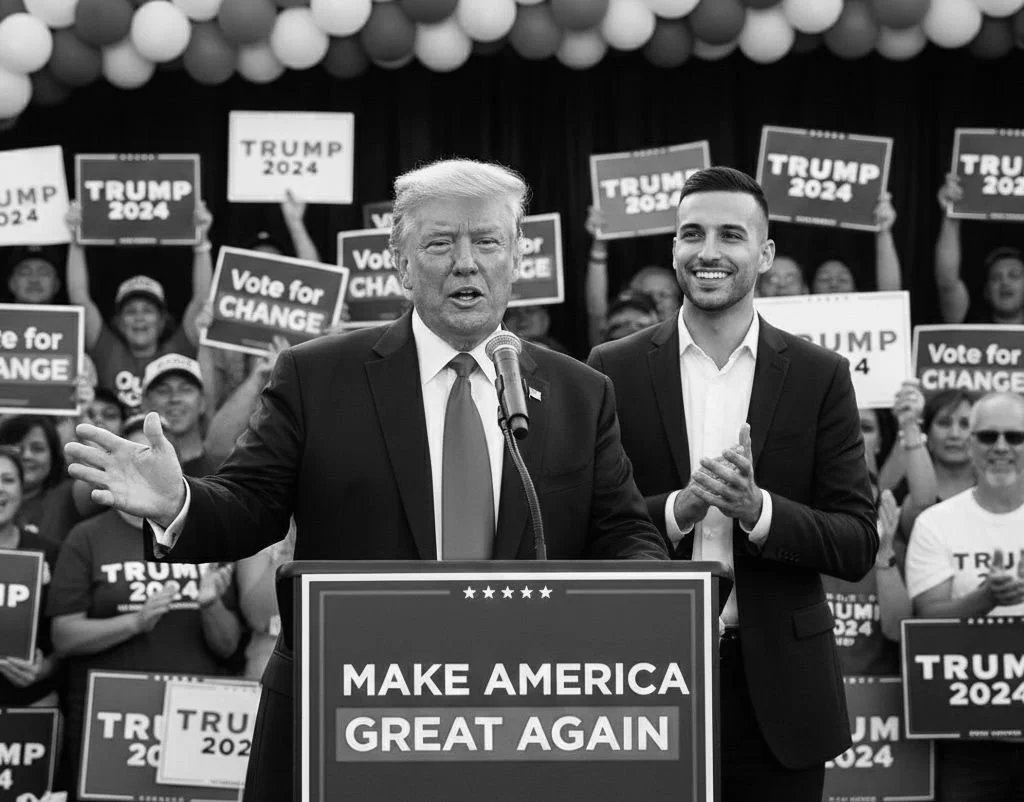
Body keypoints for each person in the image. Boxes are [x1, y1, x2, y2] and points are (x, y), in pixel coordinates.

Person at [64, 158, 669, 802]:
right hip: (350, 707)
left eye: (487, 241)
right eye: (440, 242)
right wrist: (179, 500)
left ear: (517, 258)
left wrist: (660, 602)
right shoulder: (318, 374)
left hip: (518, 718)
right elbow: (253, 502)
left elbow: (623, 531)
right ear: (401, 263)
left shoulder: (579, 392)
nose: (466, 262)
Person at [587, 166, 878, 801]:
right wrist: (679, 509)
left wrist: (758, 510)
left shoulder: (818, 375)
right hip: (642, 680)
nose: (709, 252)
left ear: (765, 253)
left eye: (731, 235)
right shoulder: (612, 370)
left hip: (779, 693)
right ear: (673, 249)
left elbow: (857, 543)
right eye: (692, 233)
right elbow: (582, 531)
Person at [49, 414, 242, 802]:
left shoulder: (206, 535)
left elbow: (228, 647)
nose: (145, 465)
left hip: (193, 724)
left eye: (154, 454)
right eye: (135, 455)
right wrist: (135, 622)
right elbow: (64, 637)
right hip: (112, 728)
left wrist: (209, 606)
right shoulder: (86, 538)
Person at [905, 391, 1024, 801]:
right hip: (969, 735)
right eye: (989, 436)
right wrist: (986, 598)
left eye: (1016, 437)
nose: (1002, 448)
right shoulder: (936, 523)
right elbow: (924, 623)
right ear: (971, 444)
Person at [64, 201, 214, 409]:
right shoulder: (106, 350)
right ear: (118, 322)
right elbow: (80, 298)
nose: (139, 317)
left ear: (163, 321)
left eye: (148, 310)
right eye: (130, 311)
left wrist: (202, 241)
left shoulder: (179, 350)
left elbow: (201, 299)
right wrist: (76, 240)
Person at [0, 446, 61, 708]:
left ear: (22, 490)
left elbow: (67, 636)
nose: (0, 488)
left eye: (8, 480)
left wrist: (44, 668)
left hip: (32, 706)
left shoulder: (51, 553)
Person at [935, 173, 1024, 325]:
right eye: (995, 278)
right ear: (987, 292)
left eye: (1014, 275)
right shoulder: (969, 322)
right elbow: (947, 283)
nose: (1004, 282)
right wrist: (951, 213)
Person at [0, 415, 96, 543]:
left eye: (37, 449)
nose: (27, 455)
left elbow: (101, 479)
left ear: (54, 456)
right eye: (17, 448)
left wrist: (81, 415)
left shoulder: (67, 495)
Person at [140, 353, 219, 477]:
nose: (175, 398)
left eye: (186, 389)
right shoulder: (134, 471)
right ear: (145, 404)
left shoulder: (224, 473)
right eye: (163, 391)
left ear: (203, 402)